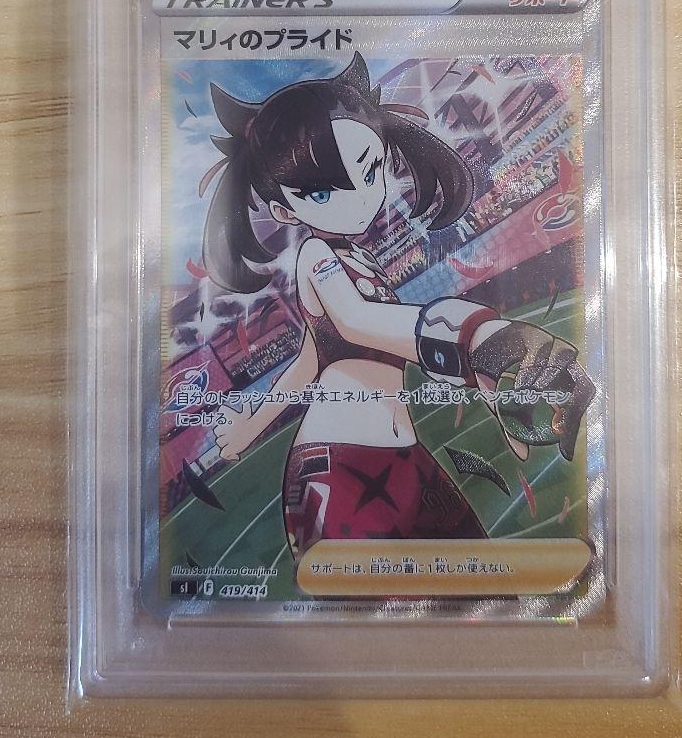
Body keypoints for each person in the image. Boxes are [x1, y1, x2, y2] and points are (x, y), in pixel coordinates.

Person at [203, 53, 594, 559]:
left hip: (405, 459)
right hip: (341, 468)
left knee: (482, 587)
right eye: (321, 194)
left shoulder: (358, 259)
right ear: (283, 210)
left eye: (372, 169)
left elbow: (309, 360)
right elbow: (357, 321)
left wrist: (250, 425)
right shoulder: (317, 256)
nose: (360, 197)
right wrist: (475, 338)